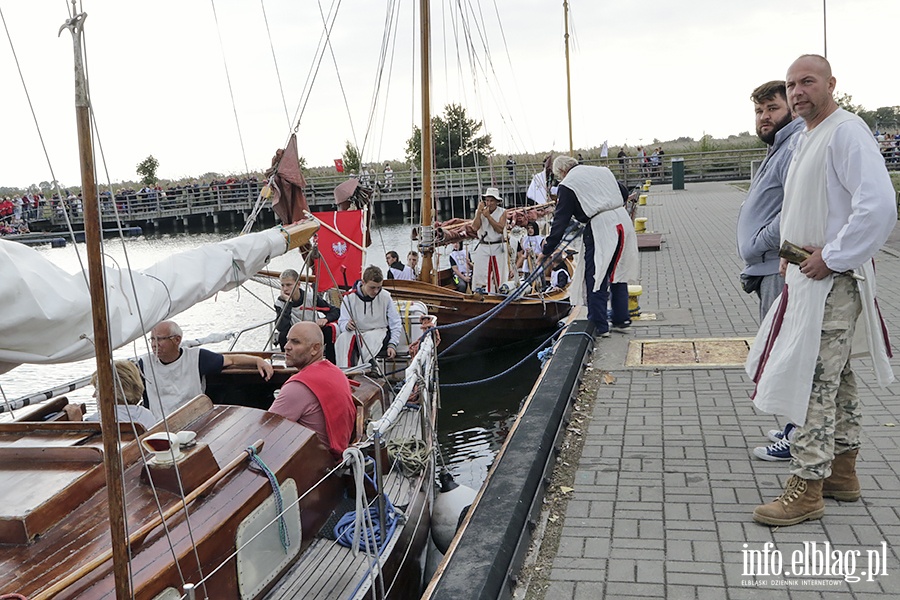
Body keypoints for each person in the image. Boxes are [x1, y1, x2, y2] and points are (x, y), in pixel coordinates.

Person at [748, 55, 896, 527]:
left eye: (807, 82)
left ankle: (807, 485)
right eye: (790, 85)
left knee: (813, 380)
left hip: (831, 280)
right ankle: (842, 473)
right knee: (839, 377)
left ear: (831, 83)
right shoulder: (811, 136)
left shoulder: (846, 131)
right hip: (811, 278)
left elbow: (877, 206)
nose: (796, 92)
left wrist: (831, 256)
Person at [736, 80, 806, 462]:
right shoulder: (781, 146)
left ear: (791, 110)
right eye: (760, 111)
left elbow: (796, 206)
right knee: (781, 347)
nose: (764, 118)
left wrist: (760, 239)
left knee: (787, 350)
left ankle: (797, 436)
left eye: (772, 109)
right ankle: (795, 426)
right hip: (767, 266)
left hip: (777, 265)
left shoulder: (793, 145)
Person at [539, 156, 639, 338]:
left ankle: (600, 324)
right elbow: (624, 193)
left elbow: (560, 221)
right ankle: (621, 320)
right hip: (622, 220)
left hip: (601, 226)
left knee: (596, 275)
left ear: (562, 172)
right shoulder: (601, 171)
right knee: (618, 272)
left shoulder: (568, 185)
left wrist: (547, 249)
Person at [140, 320, 274, 420]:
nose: (153, 344)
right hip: (157, 426)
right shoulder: (144, 364)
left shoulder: (196, 357)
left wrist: (258, 361)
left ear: (177, 340)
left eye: (159, 339)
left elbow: (231, 360)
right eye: (151, 339)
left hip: (193, 422)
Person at [268, 322, 357, 459]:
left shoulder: (297, 388)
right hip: (336, 456)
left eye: (295, 342)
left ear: (315, 349)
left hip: (313, 466)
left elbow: (268, 432)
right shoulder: (335, 372)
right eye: (287, 341)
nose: (286, 347)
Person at [335, 266, 403, 368]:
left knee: (371, 340)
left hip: (379, 332)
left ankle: (369, 369)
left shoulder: (385, 297)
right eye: (372, 287)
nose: (376, 291)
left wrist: (392, 344)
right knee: (343, 339)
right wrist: (347, 325)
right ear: (363, 282)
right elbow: (342, 321)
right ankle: (346, 371)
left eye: (379, 287)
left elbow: (395, 322)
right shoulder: (349, 297)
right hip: (357, 332)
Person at [64, 360, 157, 431]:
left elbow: (82, 453)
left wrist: (76, 423)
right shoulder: (147, 415)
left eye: (97, 390)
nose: (93, 396)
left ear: (111, 393)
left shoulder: (96, 421)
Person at [274, 269, 340, 364]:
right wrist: (288, 303)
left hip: (312, 332)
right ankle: (290, 365)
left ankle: (330, 364)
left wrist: (326, 319)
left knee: (330, 330)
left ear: (298, 284)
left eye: (289, 285)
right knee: (283, 335)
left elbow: (335, 311)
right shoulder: (280, 303)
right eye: (282, 285)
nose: (285, 289)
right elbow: (281, 327)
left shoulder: (310, 297)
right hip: (294, 334)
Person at [470, 187, 508, 293]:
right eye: (487, 200)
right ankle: (480, 292)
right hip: (484, 244)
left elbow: (500, 229)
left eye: (491, 200)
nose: (489, 203)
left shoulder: (502, 212)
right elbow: (474, 227)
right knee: (481, 272)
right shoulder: (480, 212)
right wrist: (479, 213)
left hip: (497, 245)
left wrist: (488, 217)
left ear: (497, 202)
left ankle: (499, 291)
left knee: (499, 272)